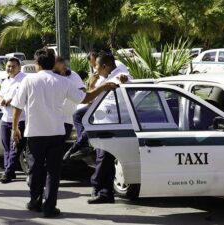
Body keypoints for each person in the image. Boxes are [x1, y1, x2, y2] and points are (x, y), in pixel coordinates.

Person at [10, 48, 118, 217]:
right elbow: (86, 98)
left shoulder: (28, 81)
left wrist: (14, 127)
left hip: (35, 133)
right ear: (53, 64)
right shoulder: (62, 81)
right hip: (56, 132)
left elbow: (17, 106)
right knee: (53, 171)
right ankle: (50, 206)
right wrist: (103, 87)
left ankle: (35, 201)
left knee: (35, 169)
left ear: (37, 63)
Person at [87, 51, 132, 204]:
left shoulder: (121, 75)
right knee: (104, 159)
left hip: (112, 126)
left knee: (104, 159)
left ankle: (98, 186)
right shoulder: (105, 78)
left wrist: (125, 81)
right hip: (101, 125)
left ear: (105, 66)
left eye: (97, 67)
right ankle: (105, 193)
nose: (95, 70)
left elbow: (127, 82)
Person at [0, 57, 27, 183]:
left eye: (13, 66)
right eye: (8, 66)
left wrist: (10, 100)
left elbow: (22, 97)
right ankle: (9, 171)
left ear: (19, 67)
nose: (10, 68)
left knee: (15, 147)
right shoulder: (6, 81)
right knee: (6, 147)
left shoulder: (24, 79)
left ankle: (7, 173)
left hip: (20, 119)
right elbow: (0, 95)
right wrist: (1, 100)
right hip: (6, 118)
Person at [52, 56, 86, 140]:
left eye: (64, 68)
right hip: (53, 120)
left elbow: (83, 92)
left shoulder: (73, 75)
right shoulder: (50, 78)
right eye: (59, 70)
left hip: (67, 120)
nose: (63, 71)